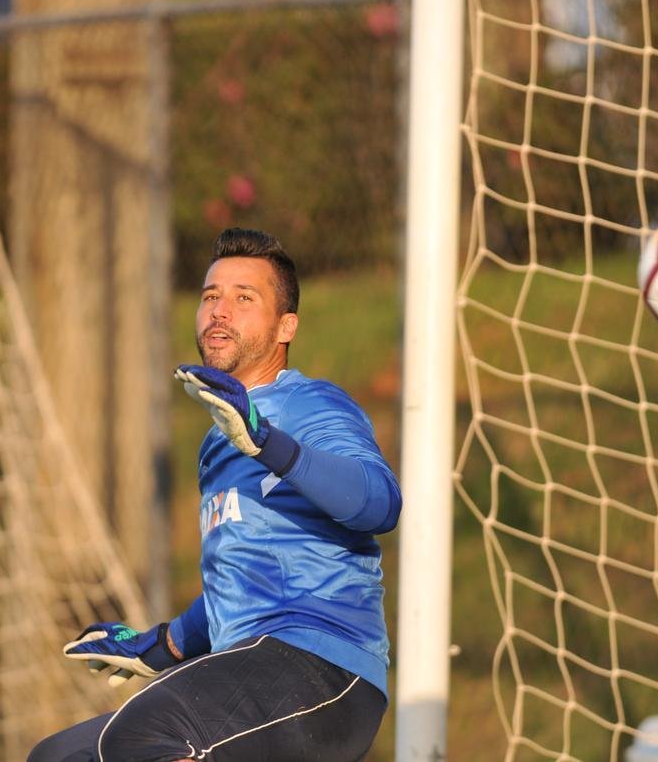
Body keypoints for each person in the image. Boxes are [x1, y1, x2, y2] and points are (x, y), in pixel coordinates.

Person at [28, 228, 402, 762]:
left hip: (323, 670)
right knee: (59, 756)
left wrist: (267, 442)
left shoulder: (310, 404)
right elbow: (240, 584)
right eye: (210, 297)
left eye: (244, 298)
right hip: (250, 666)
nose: (219, 310)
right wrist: (162, 645)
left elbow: (379, 504)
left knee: (144, 737)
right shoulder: (219, 438)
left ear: (285, 326)